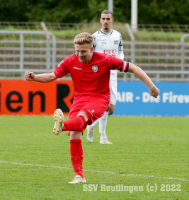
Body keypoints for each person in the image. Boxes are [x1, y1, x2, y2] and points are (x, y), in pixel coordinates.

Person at [25, 32, 160, 184]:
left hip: (99, 99)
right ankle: (79, 176)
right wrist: (35, 78)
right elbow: (52, 76)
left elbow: (134, 68)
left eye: (83, 51)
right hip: (79, 99)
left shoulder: (105, 60)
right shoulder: (70, 61)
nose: (79, 54)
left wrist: (152, 87)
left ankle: (63, 125)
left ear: (91, 49)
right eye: (77, 50)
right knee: (75, 134)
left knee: (81, 119)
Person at [86, 10, 124, 145]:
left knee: (111, 109)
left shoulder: (118, 36)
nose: (106, 21)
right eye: (103, 19)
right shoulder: (94, 37)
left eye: (108, 19)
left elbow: (120, 53)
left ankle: (91, 126)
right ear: (100, 20)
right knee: (104, 105)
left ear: (112, 20)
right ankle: (103, 137)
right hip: (100, 75)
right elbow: (90, 55)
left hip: (113, 73)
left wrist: (119, 63)